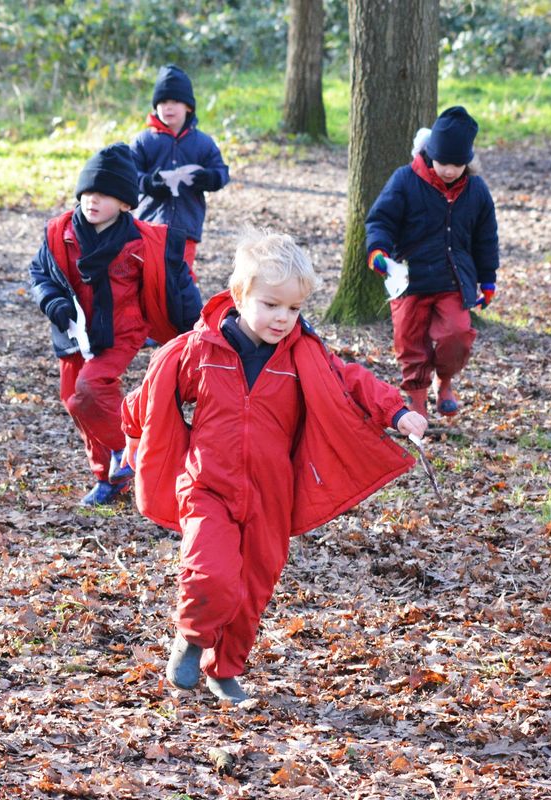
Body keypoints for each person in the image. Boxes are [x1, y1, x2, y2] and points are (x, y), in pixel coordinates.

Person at [121, 229, 428, 704]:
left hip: (271, 494)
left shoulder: (303, 355)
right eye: (271, 305)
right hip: (208, 484)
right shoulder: (200, 350)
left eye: (294, 309)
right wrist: (133, 435)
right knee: (211, 572)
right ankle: (193, 635)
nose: (283, 319)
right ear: (240, 296)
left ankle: (224, 670)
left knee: (251, 589)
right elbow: (153, 392)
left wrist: (395, 410)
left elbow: (350, 382)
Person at [29, 142, 201, 506]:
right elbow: (40, 273)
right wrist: (52, 300)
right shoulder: (60, 233)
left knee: (90, 387)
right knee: (74, 401)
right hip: (74, 330)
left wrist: (195, 329)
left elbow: (179, 283)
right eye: (88, 192)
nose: (93, 200)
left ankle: (133, 452)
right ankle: (109, 475)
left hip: (122, 331)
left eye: (104, 195)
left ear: (124, 204)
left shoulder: (141, 242)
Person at [365, 106, 500, 418]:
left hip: (453, 280)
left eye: (457, 164)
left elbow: (486, 237)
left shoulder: (476, 190)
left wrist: (488, 279)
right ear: (429, 153)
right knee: (409, 340)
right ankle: (416, 398)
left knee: (458, 334)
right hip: (410, 279)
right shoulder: (405, 180)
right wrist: (378, 251)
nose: (449, 171)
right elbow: (381, 220)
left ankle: (446, 380)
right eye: (443, 163)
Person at [130, 64, 230, 271]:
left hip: (186, 227)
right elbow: (129, 173)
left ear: (188, 107)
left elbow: (221, 171)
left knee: (181, 277)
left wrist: (209, 178)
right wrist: (147, 183)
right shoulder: (144, 141)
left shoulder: (202, 142)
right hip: (149, 224)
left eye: (175, 101)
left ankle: (182, 304)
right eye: (163, 102)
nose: (168, 107)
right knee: (147, 273)